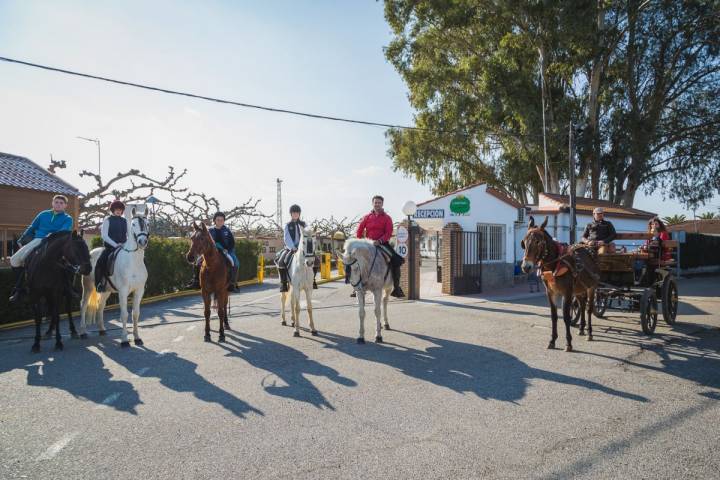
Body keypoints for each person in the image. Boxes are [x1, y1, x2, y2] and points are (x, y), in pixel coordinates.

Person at [9, 194, 74, 302]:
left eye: (61, 203)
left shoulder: (68, 218)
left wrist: (50, 236)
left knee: (71, 264)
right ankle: (20, 289)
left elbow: (63, 231)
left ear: (65, 206)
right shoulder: (43, 214)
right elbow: (32, 227)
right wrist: (22, 238)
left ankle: (69, 289)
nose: (58, 204)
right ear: (52, 203)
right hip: (38, 240)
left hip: (56, 244)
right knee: (13, 260)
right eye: (56, 202)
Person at [352, 195, 405, 298]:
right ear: (372, 204)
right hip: (368, 244)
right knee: (354, 261)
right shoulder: (366, 217)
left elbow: (388, 233)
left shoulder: (387, 218)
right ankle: (356, 288)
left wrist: (380, 241)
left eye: (379, 203)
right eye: (375, 202)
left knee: (397, 261)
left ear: (382, 204)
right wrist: (360, 241)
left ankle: (396, 288)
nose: (377, 204)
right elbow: (359, 230)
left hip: (382, 243)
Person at [276, 204, 319, 293]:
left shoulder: (304, 224)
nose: (295, 214)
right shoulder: (288, 225)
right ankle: (283, 283)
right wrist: (293, 247)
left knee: (317, 260)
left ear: (299, 214)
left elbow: (309, 235)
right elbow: (286, 239)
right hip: (291, 248)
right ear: (291, 214)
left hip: (303, 248)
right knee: (281, 261)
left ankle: (313, 280)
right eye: (293, 213)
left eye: (297, 213)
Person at [95, 200, 128, 292]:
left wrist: (124, 244)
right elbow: (104, 236)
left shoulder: (125, 221)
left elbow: (129, 235)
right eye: (116, 209)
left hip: (124, 247)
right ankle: (99, 284)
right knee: (100, 262)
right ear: (112, 210)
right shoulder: (107, 220)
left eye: (120, 209)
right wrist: (116, 245)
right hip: (110, 247)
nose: (118, 211)